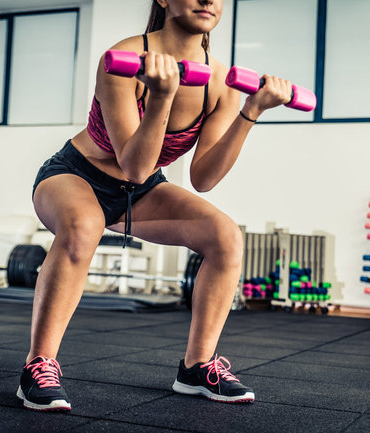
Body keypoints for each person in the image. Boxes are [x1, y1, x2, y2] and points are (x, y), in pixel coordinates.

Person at [16, 0, 294, 411]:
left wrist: (250, 112)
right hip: (76, 174)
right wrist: (162, 96)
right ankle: (38, 365)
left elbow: (204, 178)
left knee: (225, 236)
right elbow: (134, 163)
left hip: (140, 190)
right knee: (84, 225)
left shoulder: (220, 83)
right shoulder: (122, 59)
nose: (208, 0)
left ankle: (197, 367)